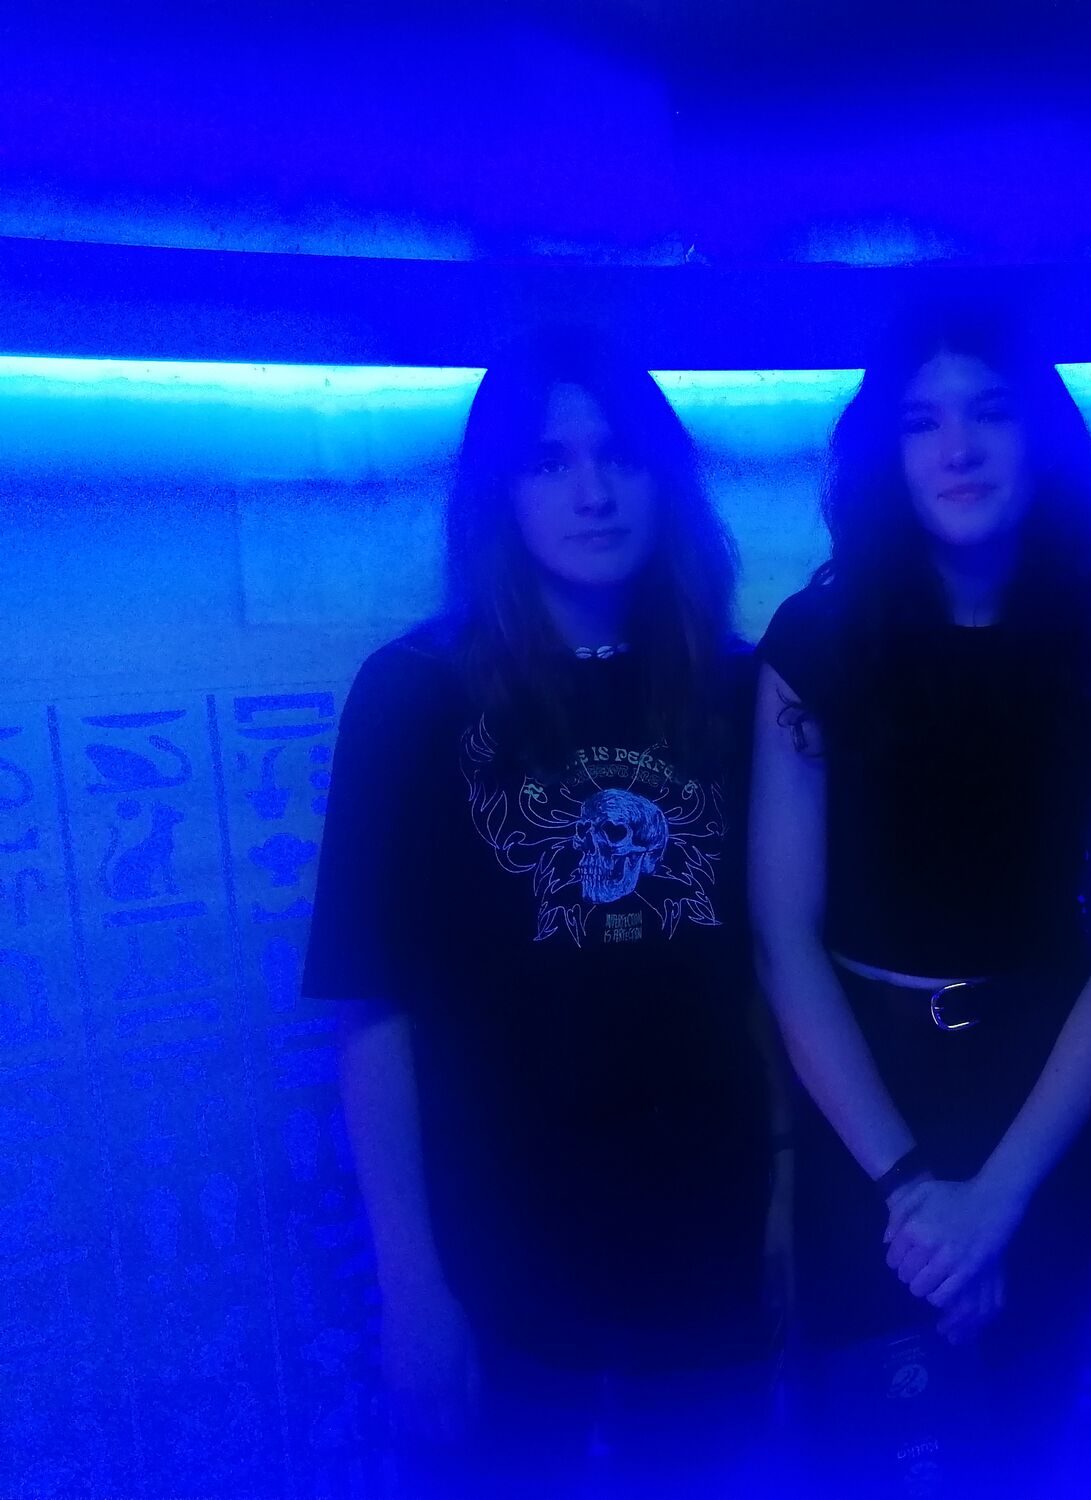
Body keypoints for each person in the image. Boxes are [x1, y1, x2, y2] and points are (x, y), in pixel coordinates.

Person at [304, 330, 777, 1498]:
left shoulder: (737, 687)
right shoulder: (413, 695)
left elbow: (776, 971)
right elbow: (369, 1011)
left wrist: (784, 1190)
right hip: (500, 1253)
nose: (592, 490)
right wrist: (411, 1290)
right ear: (497, 492)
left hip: (706, 1230)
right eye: (549, 460)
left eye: (619, 455)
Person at [749, 301, 1091, 1497]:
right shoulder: (813, 644)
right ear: (885, 451)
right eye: (921, 420)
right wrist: (913, 1194)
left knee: (1027, 1446)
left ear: (1042, 439)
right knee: (875, 1453)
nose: (959, 447)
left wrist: (996, 1200)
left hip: (1046, 1100)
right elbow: (781, 938)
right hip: (861, 1108)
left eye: (989, 412)